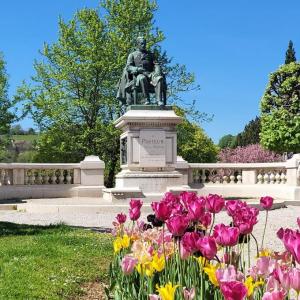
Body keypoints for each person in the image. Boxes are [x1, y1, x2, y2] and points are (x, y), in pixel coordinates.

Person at [117, 36, 167, 106]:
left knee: (159, 78)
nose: (144, 45)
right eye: (142, 44)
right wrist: (137, 69)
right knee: (142, 78)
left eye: (144, 44)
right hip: (139, 75)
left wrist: (157, 72)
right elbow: (128, 67)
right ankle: (146, 99)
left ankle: (159, 100)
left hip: (150, 74)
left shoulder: (151, 55)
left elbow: (156, 64)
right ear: (137, 44)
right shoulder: (132, 55)